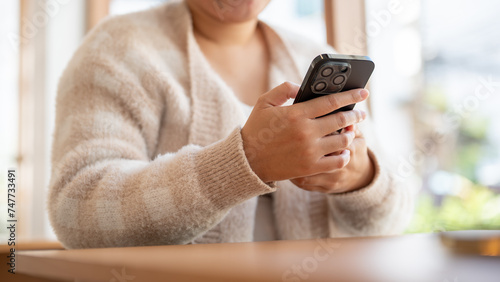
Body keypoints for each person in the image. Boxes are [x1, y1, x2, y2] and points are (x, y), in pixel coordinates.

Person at [47, 0, 414, 249]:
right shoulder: (117, 48)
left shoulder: (309, 52)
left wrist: (359, 179)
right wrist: (243, 164)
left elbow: (394, 217)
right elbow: (76, 209)